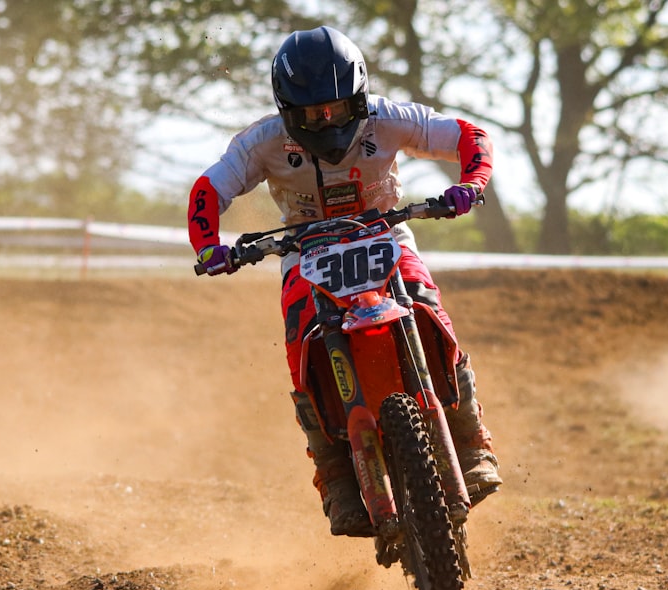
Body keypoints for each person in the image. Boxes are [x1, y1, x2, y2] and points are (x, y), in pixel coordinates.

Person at [187, 25, 502, 537]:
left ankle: (472, 439)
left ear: (358, 96)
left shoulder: (390, 118)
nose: (325, 120)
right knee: (301, 347)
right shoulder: (261, 142)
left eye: (335, 108)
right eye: (311, 114)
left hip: (386, 236)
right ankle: (334, 474)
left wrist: (470, 184)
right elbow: (210, 189)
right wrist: (209, 246)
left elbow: (469, 137)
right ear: (287, 109)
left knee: (430, 310)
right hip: (303, 251)